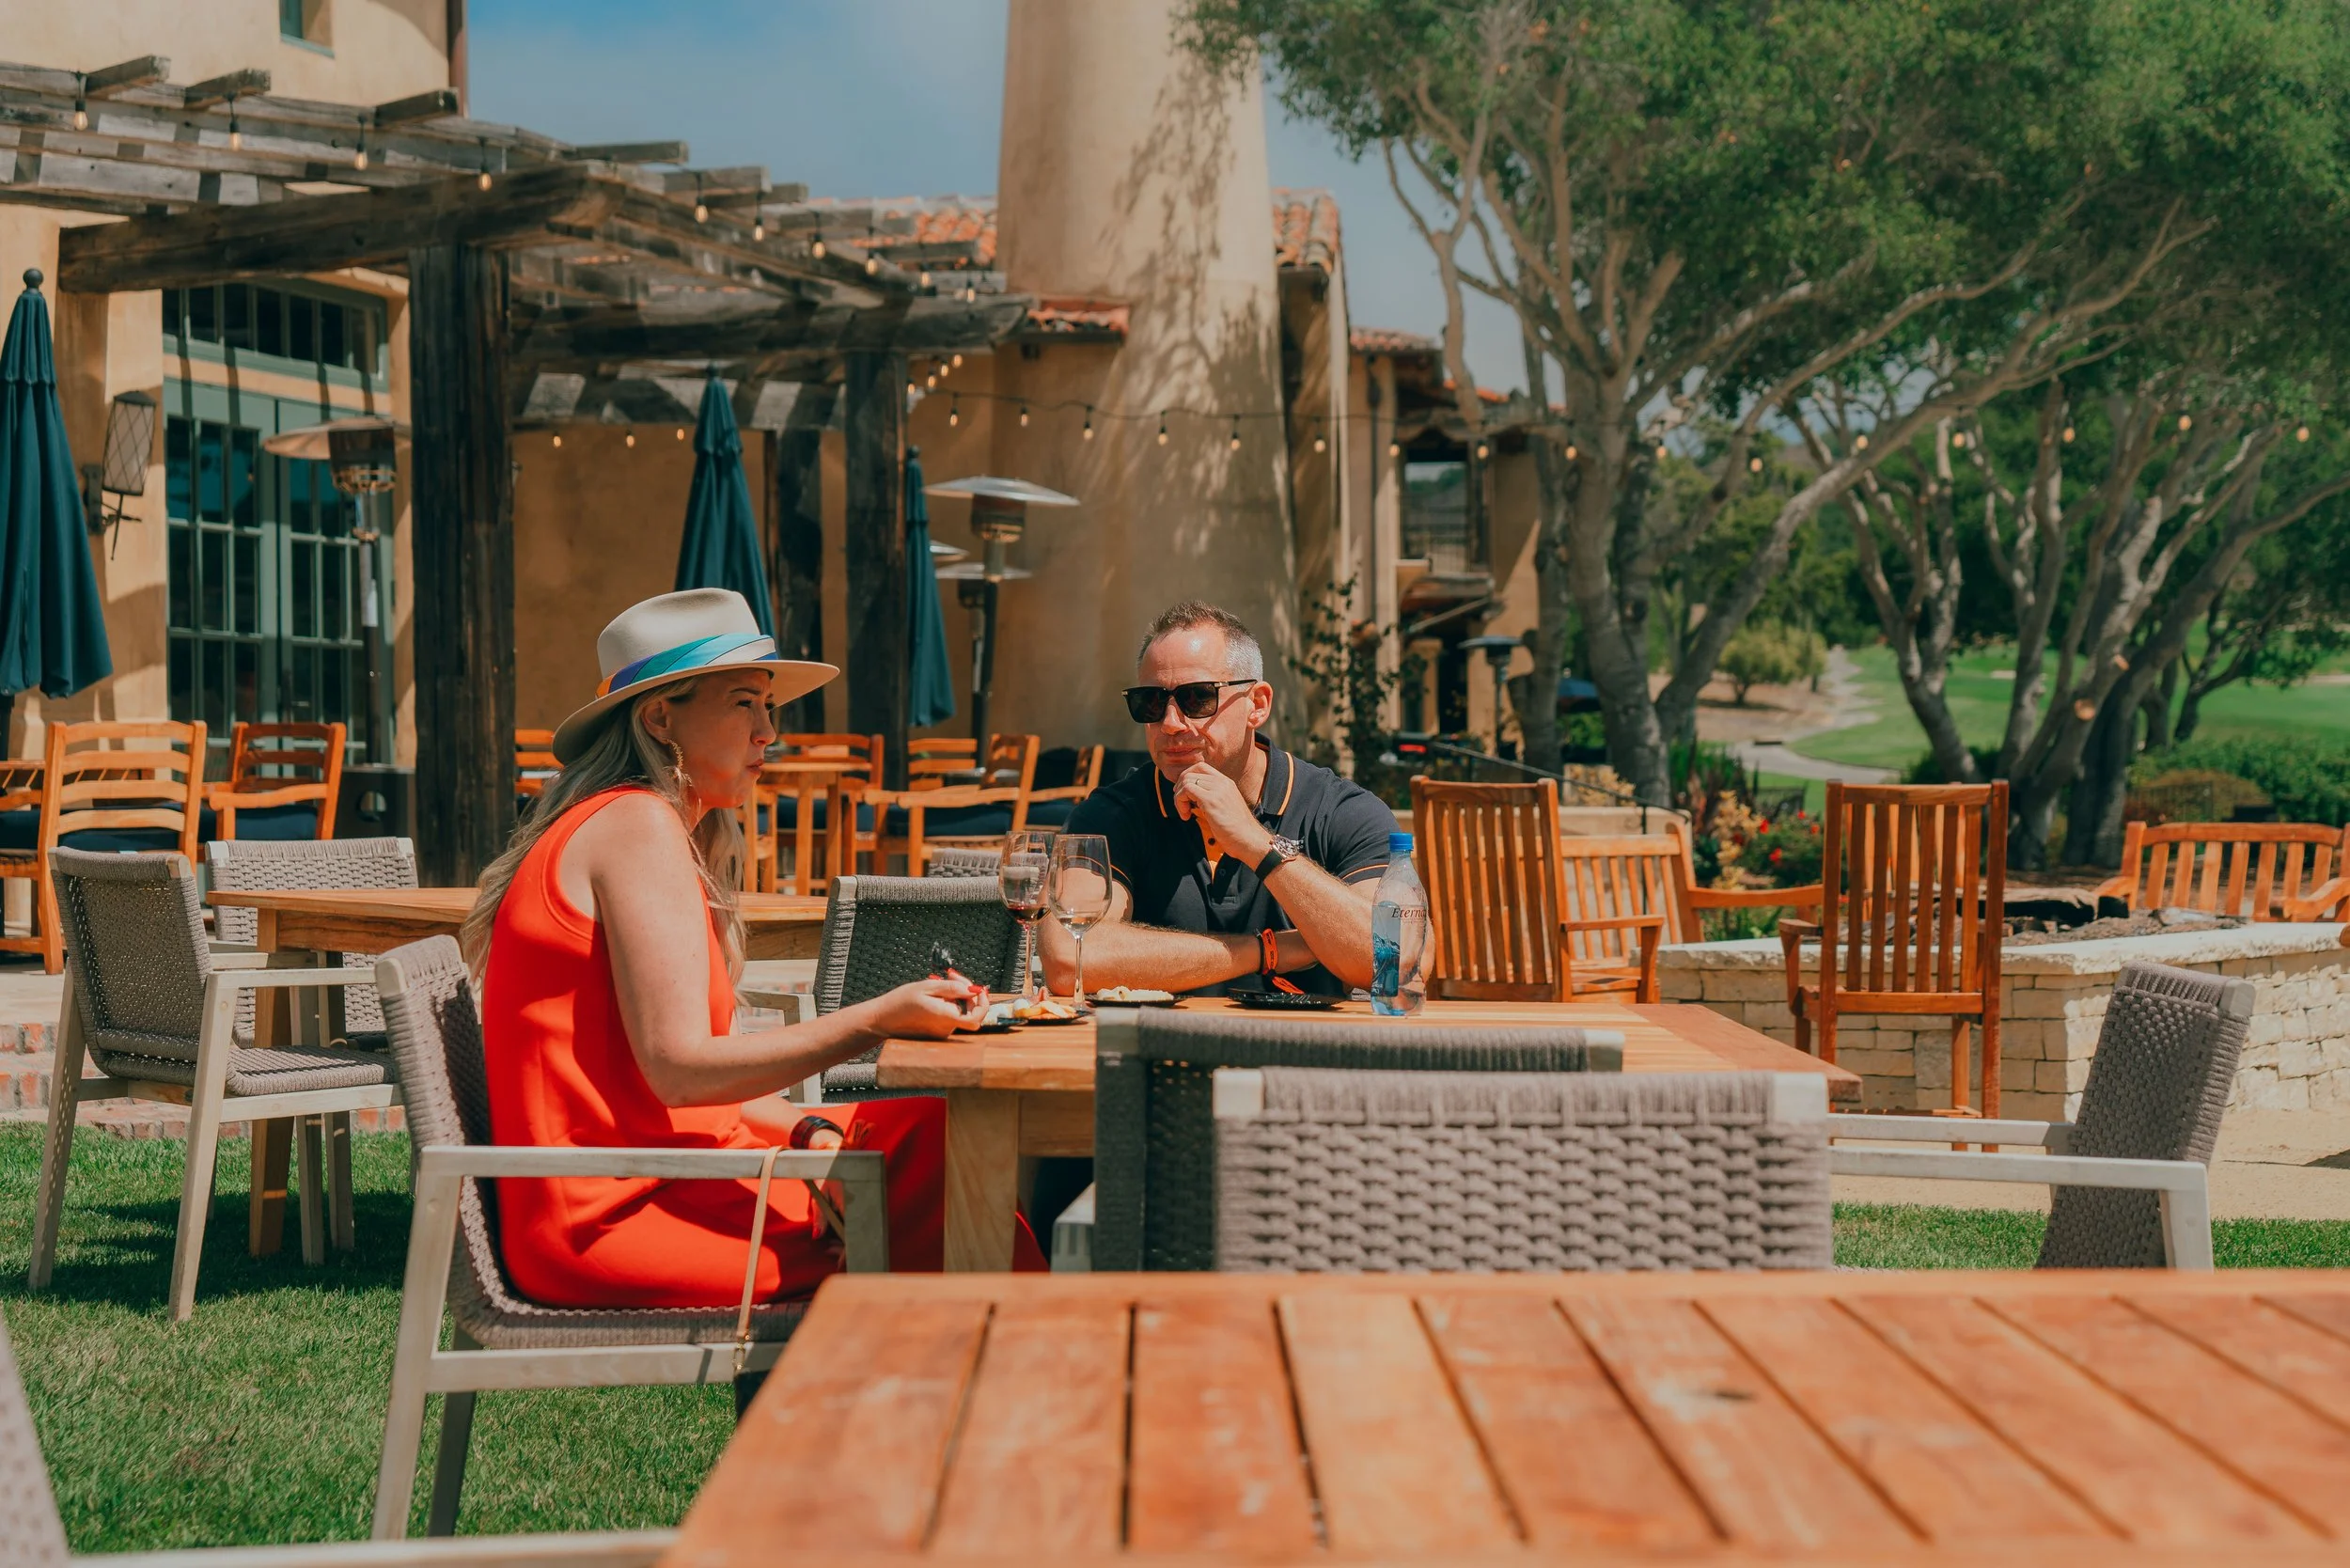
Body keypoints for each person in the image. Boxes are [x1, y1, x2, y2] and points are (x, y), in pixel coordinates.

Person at [463, 588, 1041, 1312]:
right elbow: (679, 1072)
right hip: (613, 1217)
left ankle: (973, 1375)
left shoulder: (639, 824)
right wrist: (875, 1019)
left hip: (662, 1176)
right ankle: (1008, 1375)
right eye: (744, 704)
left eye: (770, 707)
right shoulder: (636, 826)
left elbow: (690, 1100)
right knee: (940, 1207)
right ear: (658, 717)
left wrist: (813, 1127)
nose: (770, 732)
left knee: (928, 1136)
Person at [1042, 601, 1398, 997]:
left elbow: (1398, 961)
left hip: (1302, 1054)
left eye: (1197, 698)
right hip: (1160, 1053)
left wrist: (1257, 843)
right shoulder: (1111, 815)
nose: (1171, 723)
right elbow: (1069, 958)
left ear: (1257, 705)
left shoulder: (1341, 810)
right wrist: (1268, 950)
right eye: (1151, 702)